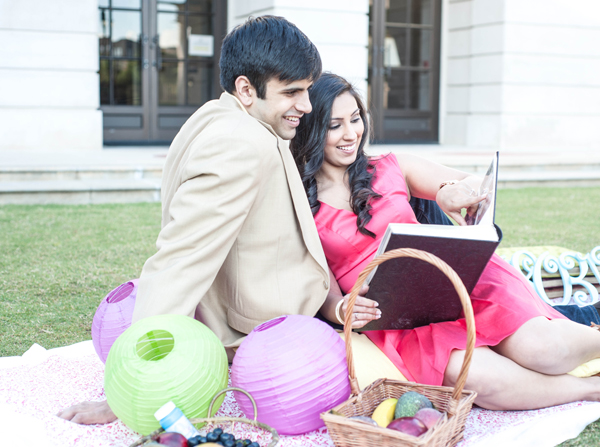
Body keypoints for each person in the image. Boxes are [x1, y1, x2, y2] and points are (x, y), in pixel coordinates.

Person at [58, 16, 385, 425]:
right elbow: (180, 261)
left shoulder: (226, 117)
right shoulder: (239, 143)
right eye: (293, 92)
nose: (306, 104)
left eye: (307, 89)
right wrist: (126, 391)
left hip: (314, 315)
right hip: (279, 351)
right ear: (246, 89)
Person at [290, 72, 600, 410]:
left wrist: (452, 192)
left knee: (544, 351)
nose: (351, 134)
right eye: (336, 125)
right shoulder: (301, 204)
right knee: (482, 380)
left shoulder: (391, 167)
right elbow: (314, 280)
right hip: (399, 320)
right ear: (313, 129)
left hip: (455, 280)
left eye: (355, 119)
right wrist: (339, 307)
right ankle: (586, 390)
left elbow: (474, 184)